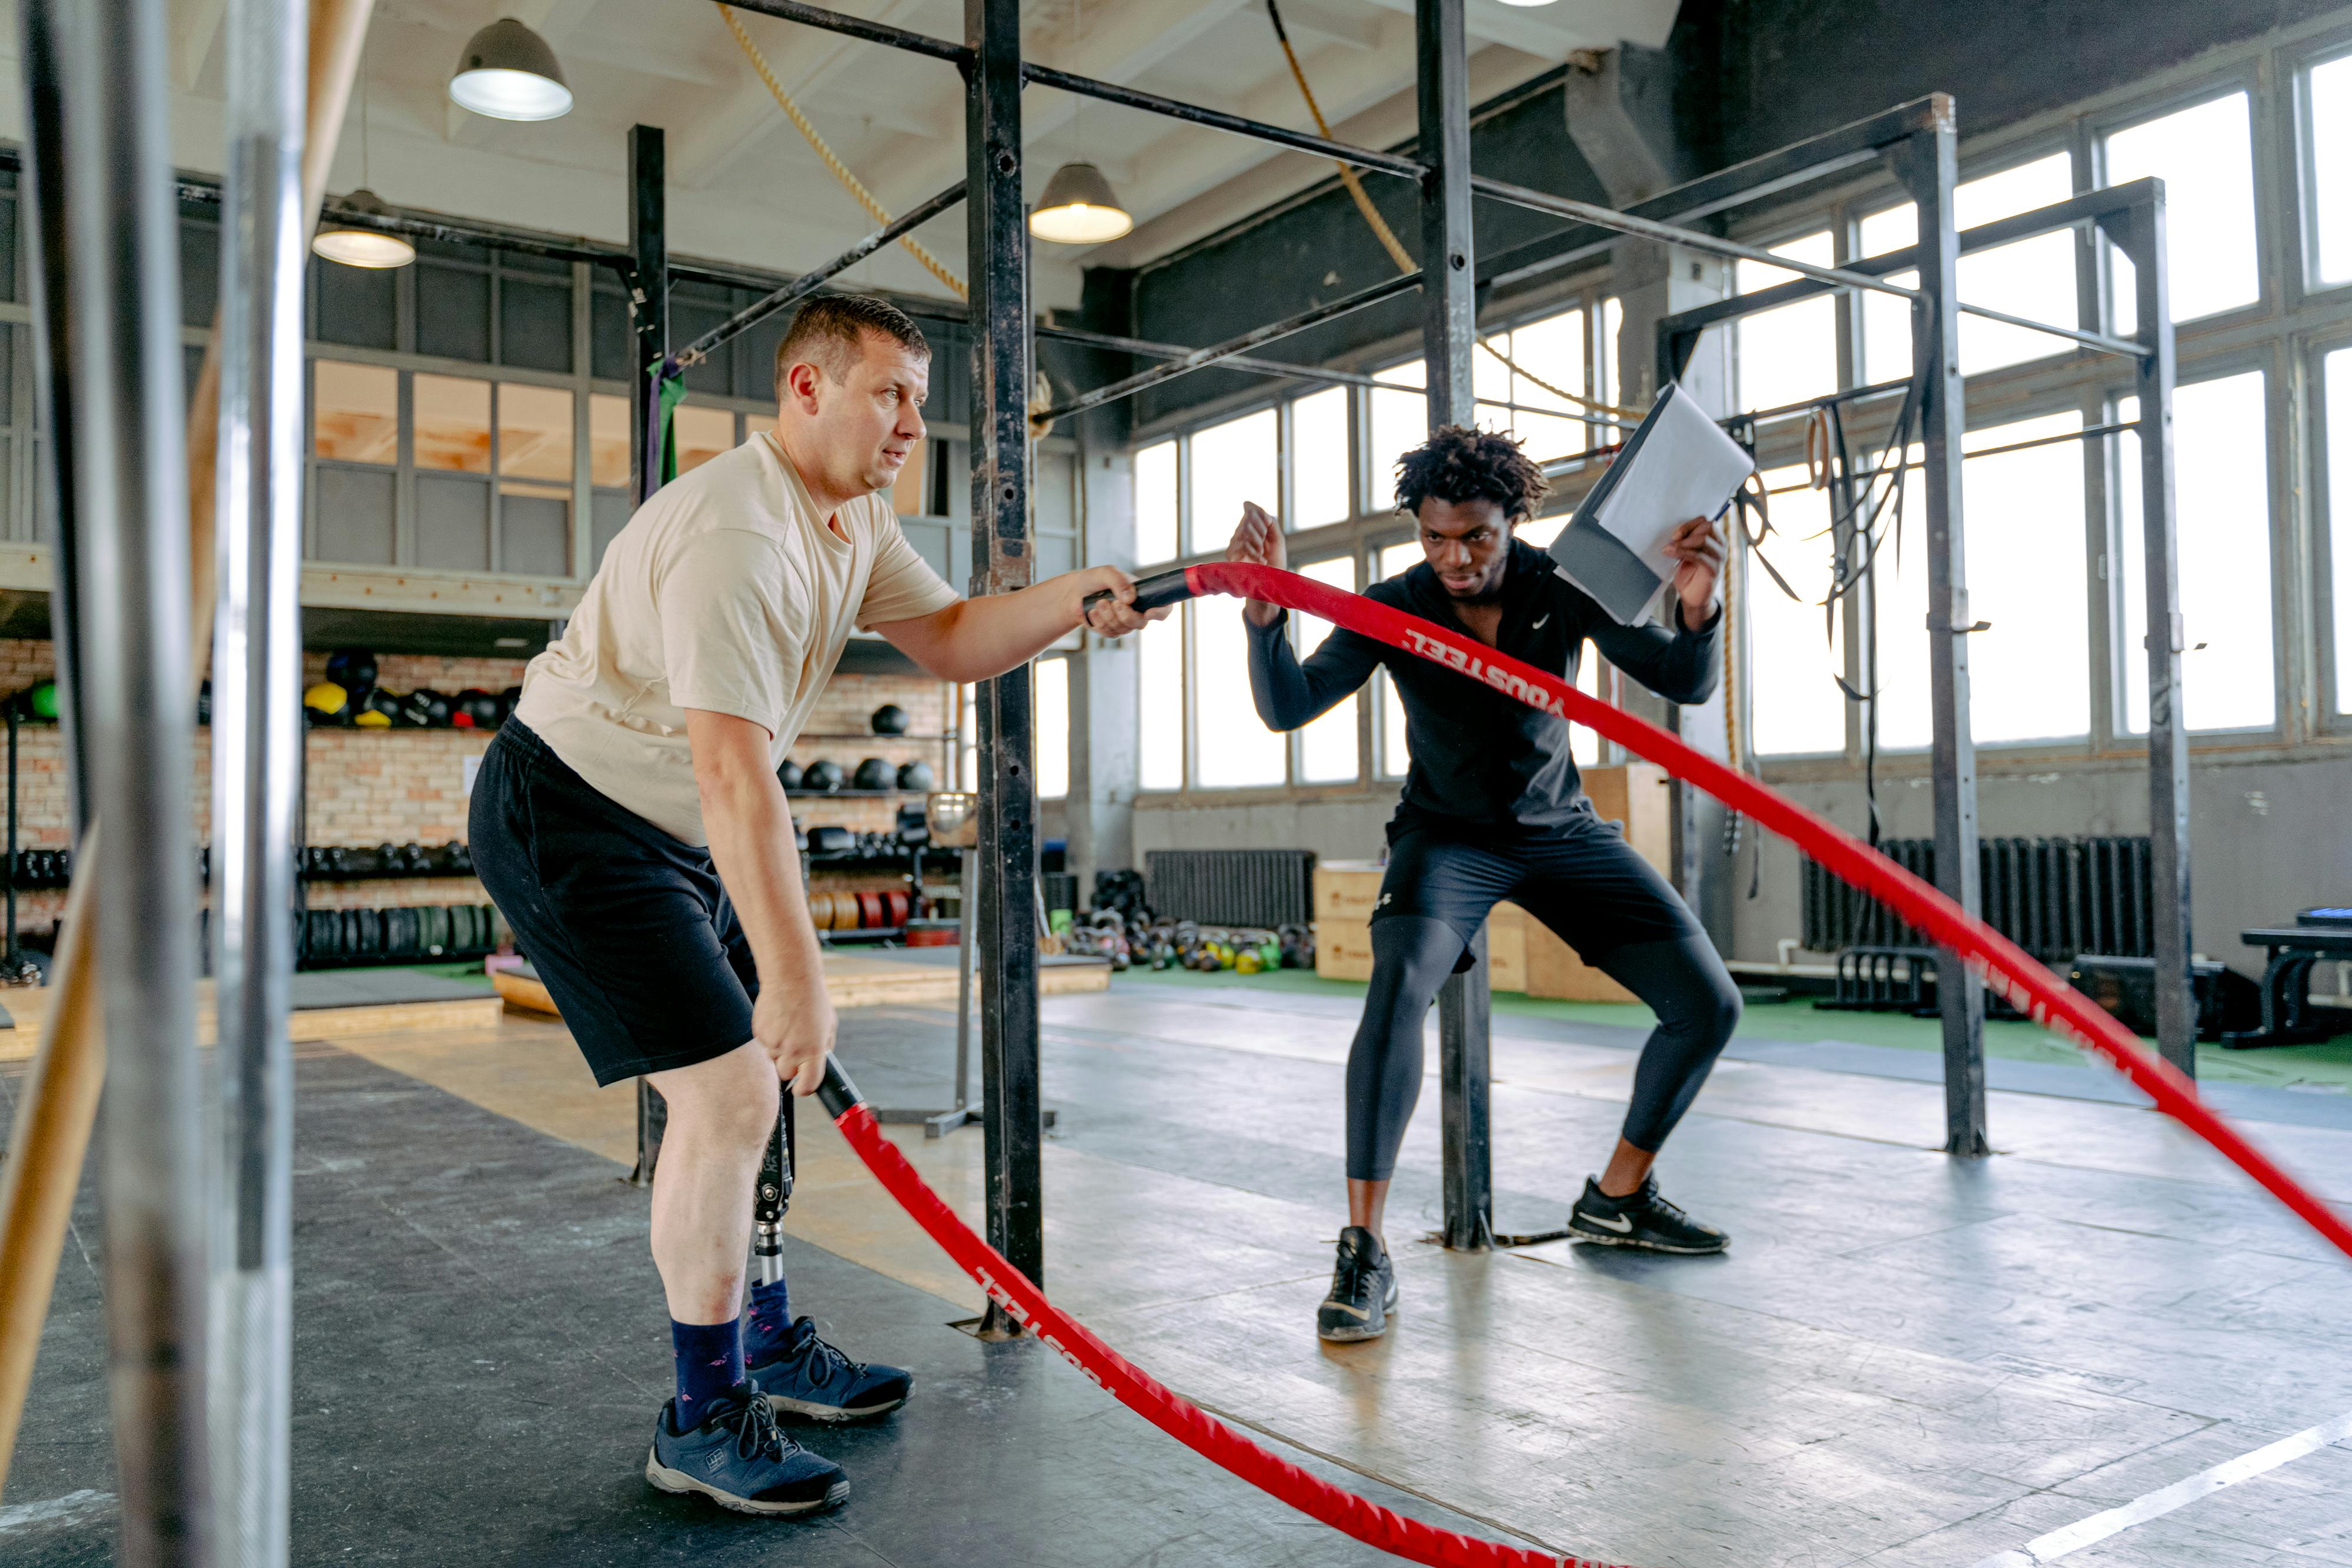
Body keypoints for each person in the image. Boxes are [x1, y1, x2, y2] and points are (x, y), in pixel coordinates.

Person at [471, 294, 1160, 1515]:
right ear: (804, 388)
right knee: (733, 1087)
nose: (910, 421)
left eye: (917, 398)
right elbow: (736, 773)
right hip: (571, 816)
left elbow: (947, 635)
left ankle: (768, 1340)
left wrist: (1073, 595)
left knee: (765, 1087)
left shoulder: (846, 517)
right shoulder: (739, 533)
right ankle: (697, 1412)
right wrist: (795, 973)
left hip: (674, 825)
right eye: (887, 391)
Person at [1226, 424, 1741, 1345]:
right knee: (1396, 988)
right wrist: (1267, 622)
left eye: (1477, 538)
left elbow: (1679, 682)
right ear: (1417, 531)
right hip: (1447, 841)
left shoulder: (1566, 588)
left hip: (1562, 833)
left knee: (1708, 1005)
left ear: (1515, 522)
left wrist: (1700, 611)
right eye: (1436, 537)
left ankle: (1618, 1197)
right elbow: (1287, 708)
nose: (1455, 558)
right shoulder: (1391, 605)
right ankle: (1363, 1249)